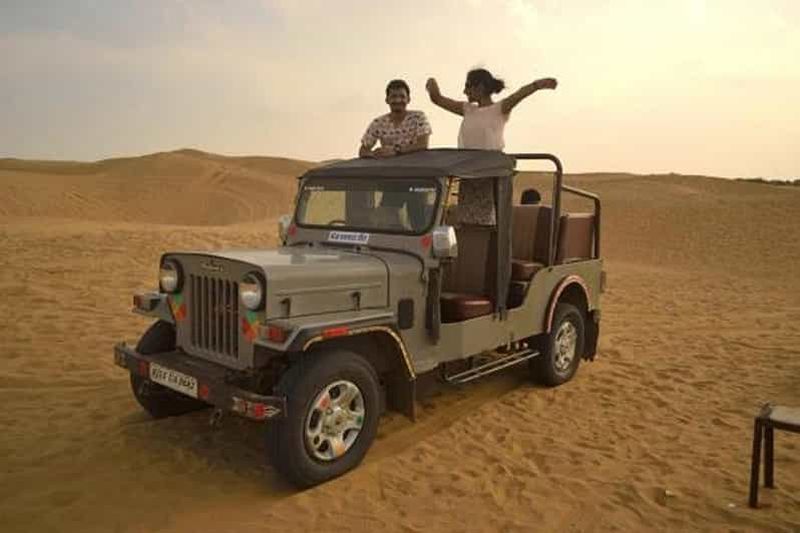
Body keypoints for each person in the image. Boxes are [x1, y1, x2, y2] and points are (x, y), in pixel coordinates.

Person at [425, 68, 557, 224]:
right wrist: (431, 83)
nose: (464, 91)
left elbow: (519, 95)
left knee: (491, 219)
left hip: (491, 174)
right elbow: (438, 99)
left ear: (479, 87)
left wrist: (538, 85)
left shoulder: (500, 109)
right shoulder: (467, 109)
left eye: (468, 86)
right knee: (466, 219)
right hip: (469, 174)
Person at [359, 79, 432, 158]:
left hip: (417, 166)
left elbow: (423, 144)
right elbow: (363, 150)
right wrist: (375, 154)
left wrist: (396, 151)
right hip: (390, 169)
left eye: (402, 96)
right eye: (394, 96)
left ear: (408, 99)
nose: (398, 100)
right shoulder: (378, 123)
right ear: (387, 100)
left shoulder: (418, 117)